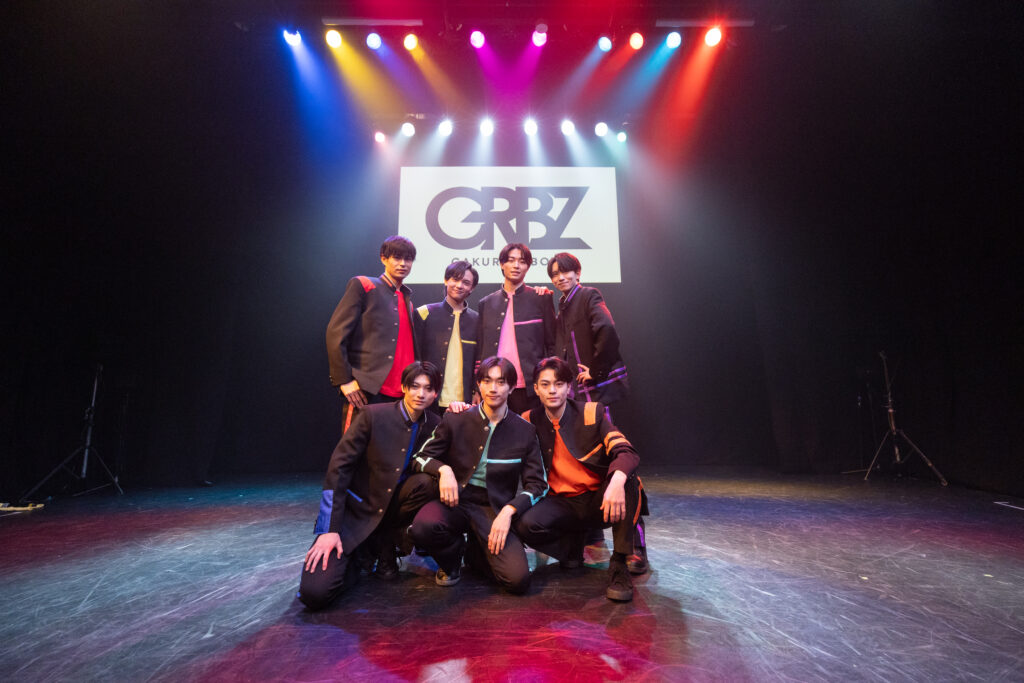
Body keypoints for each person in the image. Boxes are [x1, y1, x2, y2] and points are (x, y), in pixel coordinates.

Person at [299, 362, 442, 610]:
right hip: (355, 514)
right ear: (403, 387)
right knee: (315, 593)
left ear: (436, 393)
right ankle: (364, 554)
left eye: (428, 388)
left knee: (426, 483)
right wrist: (329, 528)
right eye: (415, 386)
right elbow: (338, 468)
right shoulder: (372, 415)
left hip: (392, 511)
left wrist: (444, 469)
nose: (421, 394)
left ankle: (385, 542)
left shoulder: (435, 425)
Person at [408, 356, 548, 594]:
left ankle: (476, 553)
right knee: (424, 527)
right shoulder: (456, 419)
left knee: (517, 581)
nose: (493, 388)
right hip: (457, 500)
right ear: (479, 385)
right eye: (487, 381)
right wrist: (444, 470)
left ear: (511, 387)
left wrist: (509, 511)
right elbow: (420, 457)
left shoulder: (524, 431)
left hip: (493, 507)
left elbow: (538, 484)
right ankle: (452, 560)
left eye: (501, 382)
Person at [514, 357, 648, 602]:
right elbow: (498, 431)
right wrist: (463, 411)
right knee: (525, 524)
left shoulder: (591, 412)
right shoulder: (528, 419)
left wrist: (615, 482)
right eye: (545, 384)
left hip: (599, 500)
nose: (552, 390)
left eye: (559, 384)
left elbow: (626, 452)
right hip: (561, 503)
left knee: (627, 479)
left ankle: (619, 563)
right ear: (536, 389)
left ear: (569, 387)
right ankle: (571, 547)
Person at [326, 235, 419, 435]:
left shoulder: (408, 302)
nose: (403, 264)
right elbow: (336, 333)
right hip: (367, 389)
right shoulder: (364, 285)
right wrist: (344, 380)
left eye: (408, 259)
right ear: (383, 258)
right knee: (354, 448)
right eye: (397, 257)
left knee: (389, 450)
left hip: (401, 395)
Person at [477, 243, 555, 414]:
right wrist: (476, 388)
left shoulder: (540, 298)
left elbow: (552, 344)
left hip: (530, 385)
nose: (516, 265)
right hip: (494, 385)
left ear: (528, 266)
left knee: (530, 428)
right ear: (501, 264)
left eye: (522, 261)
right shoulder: (486, 303)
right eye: (511, 260)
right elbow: (481, 349)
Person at [547, 252, 629, 411]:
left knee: (598, 424)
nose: (561, 278)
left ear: (577, 273)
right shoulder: (563, 305)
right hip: (575, 389)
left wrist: (596, 370)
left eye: (565, 271)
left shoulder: (588, 295)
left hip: (594, 386)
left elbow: (607, 329)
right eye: (555, 274)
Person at [414, 261, 480, 414]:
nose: (459, 285)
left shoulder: (477, 320)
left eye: (466, 282)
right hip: (428, 398)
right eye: (455, 279)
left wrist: (477, 390)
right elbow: (414, 357)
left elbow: (479, 360)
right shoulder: (424, 313)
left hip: (464, 403)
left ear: (472, 288)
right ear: (446, 280)